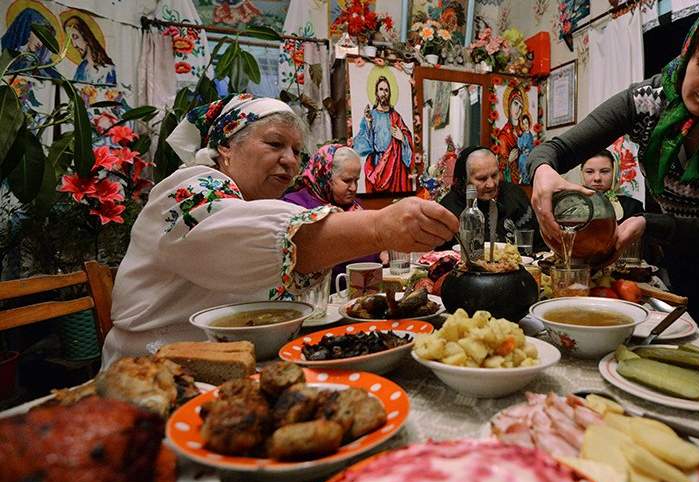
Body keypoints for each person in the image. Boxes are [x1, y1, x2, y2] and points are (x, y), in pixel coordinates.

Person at [104, 94, 457, 364]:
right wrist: (381, 226)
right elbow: (241, 244)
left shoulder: (257, 202)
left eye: (296, 151)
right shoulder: (188, 189)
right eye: (274, 144)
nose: (290, 160)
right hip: (150, 374)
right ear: (225, 147)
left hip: (238, 366)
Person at [526, 0, 699, 345]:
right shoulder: (647, 100)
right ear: (689, 50)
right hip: (682, 242)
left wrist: (649, 223)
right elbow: (555, 150)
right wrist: (543, 172)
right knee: (667, 338)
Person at [283, 144, 387, 290]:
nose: (353, 188)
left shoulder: (356, 206)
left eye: (356, 180)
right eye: (347, 181)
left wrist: (382, 250)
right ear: (324, 175)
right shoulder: (295, 206)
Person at [438, 146, 544, 252]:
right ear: (464, 180)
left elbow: (539, 245)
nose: (491, 184)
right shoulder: (448, 209)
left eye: (494, 175)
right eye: (481, 178)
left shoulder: (514, 195)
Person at [353, 75, 414, 193]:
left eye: (386, 90)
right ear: (376, 92)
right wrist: (369, 123)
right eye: (381, 89)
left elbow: (407, 137)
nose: (384, 93)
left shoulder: (395, 116)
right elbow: (361, 146)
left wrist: (402, 138)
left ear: (390, 93)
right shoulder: (371, 115)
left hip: (394, 168)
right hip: (376, 165)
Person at [581, 149, 644, 223]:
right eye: (589, 172)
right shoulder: (570, 205)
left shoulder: (632, 207)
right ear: (582, 174)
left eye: (604, 171)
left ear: (614, 173)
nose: (597, 178)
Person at [1, 7, 63, 79]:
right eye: (39, 37)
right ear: (27, 30)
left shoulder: (39, 59)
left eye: (44, 41)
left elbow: (57, 78)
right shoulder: (5, 49)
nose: (41, 44)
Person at [64, 15, 117, 85]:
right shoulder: (82, 68)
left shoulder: (108, 70)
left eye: (75, 37)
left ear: (85, 36)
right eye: (70, 40)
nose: (74, 45)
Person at [495, 87, 526, 183]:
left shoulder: (523, 132)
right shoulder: (503, 135)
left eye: (521, 107)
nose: (518, 109)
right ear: (509, 104)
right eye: (515, 104)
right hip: (510, 182)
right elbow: (501, 163)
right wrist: (509, 160)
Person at [517, 114, 535, 183]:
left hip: (529, 156)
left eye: (526, 123)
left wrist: (529, 151)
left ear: (529, 123)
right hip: (523, 157)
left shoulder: (530, 135)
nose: (525, 126)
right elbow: (520, 146)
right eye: (524, 124)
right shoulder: (522, 135)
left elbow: (531, 146)